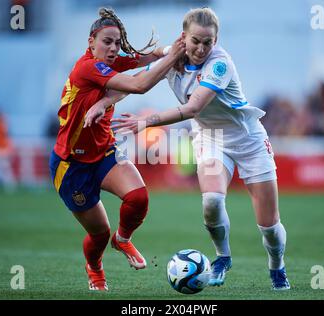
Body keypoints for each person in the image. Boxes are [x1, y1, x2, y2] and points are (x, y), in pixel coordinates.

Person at [91, 7, 290, 290]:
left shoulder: (220, 65)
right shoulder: (173, 57)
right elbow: (136, 83)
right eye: (196, 40)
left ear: (216, 41)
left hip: (249, 142)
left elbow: (194, 107)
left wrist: (147, 121)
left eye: (208, 42)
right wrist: (103, 102)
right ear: (184, 37)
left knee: (269, 227)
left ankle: (276, 266)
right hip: (210, 138)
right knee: (211, 201)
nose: (201, 48)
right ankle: (222, 258)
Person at [49, 8, 185, 291]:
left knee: (138, 197)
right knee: (99, 234)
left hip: (104, 153)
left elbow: (144, 60)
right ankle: (95, 267)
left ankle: (122, 240)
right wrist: (174, 57)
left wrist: (170, 49)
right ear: (91, 42)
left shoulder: (107, 63)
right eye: (106, 42)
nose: (113, 49)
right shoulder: (87, 67)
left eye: (117, 43)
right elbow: (139, 84)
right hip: (71, 165)